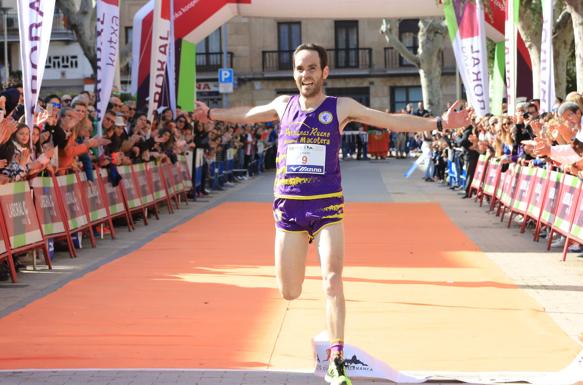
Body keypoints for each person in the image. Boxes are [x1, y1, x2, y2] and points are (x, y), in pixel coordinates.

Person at [193, 43, 469, 385]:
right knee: (289, 291)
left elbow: (389, 120)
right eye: (299, 68)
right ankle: (326, 336)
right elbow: (248, 114)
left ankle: (337, 358)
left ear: (325, 72)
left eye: (311, 68)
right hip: (289, 209)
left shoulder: (341, 107)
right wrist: (211, 115)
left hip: (327, 207)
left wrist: (439, 122)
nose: (304, 75)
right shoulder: (283, 105)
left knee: (332, 280)